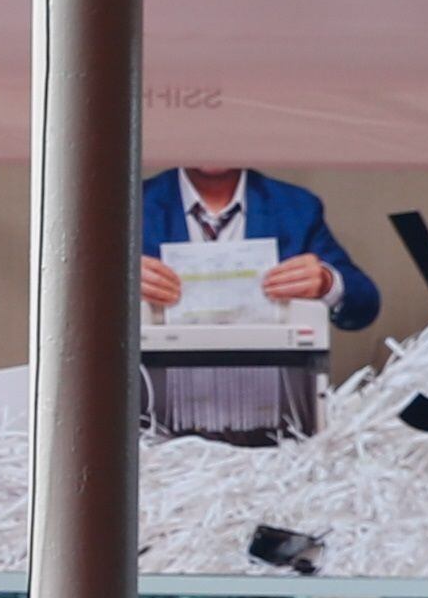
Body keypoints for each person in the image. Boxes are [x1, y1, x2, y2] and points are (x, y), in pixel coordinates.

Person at [135, 163, 381, 445]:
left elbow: (363, 306)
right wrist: (113, 283)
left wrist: (327, 281)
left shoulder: (294, 207)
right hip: (158, 414)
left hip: (271, 414)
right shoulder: (130, 203)